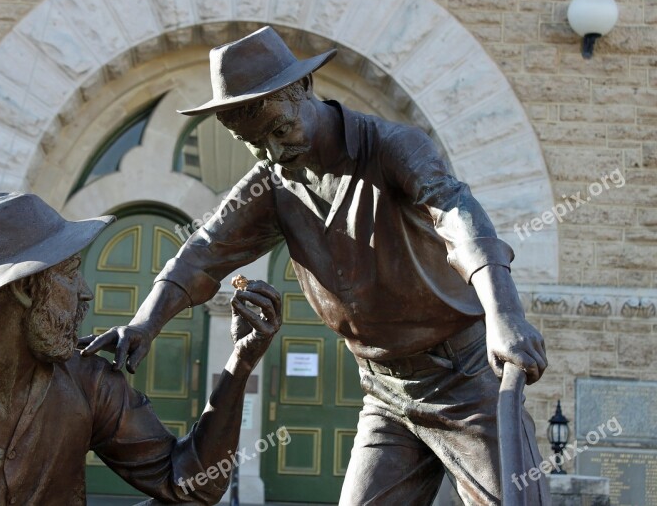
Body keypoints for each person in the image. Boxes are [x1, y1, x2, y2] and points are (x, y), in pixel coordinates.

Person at [82, 27, 551, 505]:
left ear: (305, 89)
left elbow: (458, 215)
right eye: (255, 142)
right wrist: (143, 324)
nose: (275, 152)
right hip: (386, 391)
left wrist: (504, 314)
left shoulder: (392, 146)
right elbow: (203, 251)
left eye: (282, 129)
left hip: (465, 376)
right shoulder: (272, 181)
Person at [0, 192, 281, 506]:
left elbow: (193, 485)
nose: (87, 294)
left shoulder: (84, 379)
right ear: (26, 288)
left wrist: (241, 363)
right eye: (70, 274)